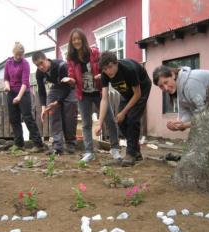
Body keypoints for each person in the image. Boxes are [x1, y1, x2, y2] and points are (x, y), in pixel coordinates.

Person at [152, 65, 209, 187]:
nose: (166, 88)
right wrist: (179, 124)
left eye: (166, 82)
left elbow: (205, 116)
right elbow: (186, 114)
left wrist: (185, 125)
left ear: (172, 75)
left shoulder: (190, 84)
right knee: (203, 133)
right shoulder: (180, 88)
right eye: (161, 86)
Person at [63, 28, 121, 162]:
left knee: (110, 120)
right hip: (83, 94)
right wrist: (70, 80)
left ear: (83, 39)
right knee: (86, 124)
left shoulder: (94, 52)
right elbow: (71, 74)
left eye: (78, 38)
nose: (76, 41)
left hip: (99, 91)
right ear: (71, 42)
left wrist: (103, 74)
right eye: (74, 39)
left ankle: (115, 149)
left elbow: (104, 66)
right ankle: (89, 152)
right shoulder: (71, 58)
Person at [96, 51, 151, 166]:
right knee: (120, 121)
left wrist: (124, 112)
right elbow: (104, 99)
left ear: (116, 63)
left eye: (110, 67)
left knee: (132, 119)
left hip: (141, 89)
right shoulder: (105, 74)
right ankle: (136, 152)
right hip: (126, 93)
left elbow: (137, 94)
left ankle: (130, 154)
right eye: (105, 69)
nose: (108, 71)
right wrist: (100, 123)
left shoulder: (128, 69)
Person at [32, 51, 77, 155]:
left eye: (41, 63)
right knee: (53, 113)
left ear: (46, 59)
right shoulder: (39, 72)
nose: (40, 67)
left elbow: (67, 88)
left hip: (69, 88)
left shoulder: (61, 66)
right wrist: (44, 107)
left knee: (69, 115)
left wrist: (58, 102)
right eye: (37, 65)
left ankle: (70, 144)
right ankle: (57, 146)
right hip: (56, 88)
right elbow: (42, 91)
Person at [4, 42, 46, 152]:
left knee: (27, 118)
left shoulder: (25, 64)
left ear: (23, 54)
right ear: (13, 53)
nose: (18, 57)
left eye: (21, 55)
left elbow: (25, 82)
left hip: (24, 93)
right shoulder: (8, 63)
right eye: (17, 54)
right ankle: (19, 144)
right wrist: (7, 87)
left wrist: (19, 97)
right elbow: (6, 78)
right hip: (11, 93)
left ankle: (38, 144)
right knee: (14, 119)